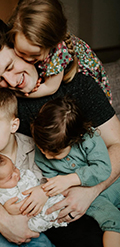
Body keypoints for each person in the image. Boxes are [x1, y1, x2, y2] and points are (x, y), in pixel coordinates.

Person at [0, 12, 120, 247]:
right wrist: (1, 220)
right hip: (54, 208)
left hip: (92, 185)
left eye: (10, 65)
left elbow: (117, 144)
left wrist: (89, 191)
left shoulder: (78, 84)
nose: (11, 81)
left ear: (19, 46)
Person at [0, 85, 57, 247]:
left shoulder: (31, 146)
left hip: (33, 220)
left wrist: (43, 192)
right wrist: (4, 212)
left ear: (13, 126)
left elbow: (50, 174)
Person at [31, 96, 120, 247]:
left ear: (77, 138)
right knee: (114, 221)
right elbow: (55, 185)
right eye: (42, 148)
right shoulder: (41, 153)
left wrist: (70, 179)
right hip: (87, 198)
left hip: (111, 184)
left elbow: (104, 169)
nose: (46, 155)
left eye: (55, 153)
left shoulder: (89, 138)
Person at [7, 0, 112, 103]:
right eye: (21, 53)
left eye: (35, 55)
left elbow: (50, 88)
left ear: (51, 45)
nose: (27, 59)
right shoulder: (16, 34)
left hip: (92, 95)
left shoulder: (59, 53)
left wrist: (16, 94)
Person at [0, 152, 67, 233]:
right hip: (31, 215)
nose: (16, 174)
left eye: (14, 167)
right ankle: (54, 219)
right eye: (10, 177)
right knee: (35, 224)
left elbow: (33, 178)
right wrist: (9, 210)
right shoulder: (0, 193)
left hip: (43, 196)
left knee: (58, 199)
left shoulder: (17, 173)